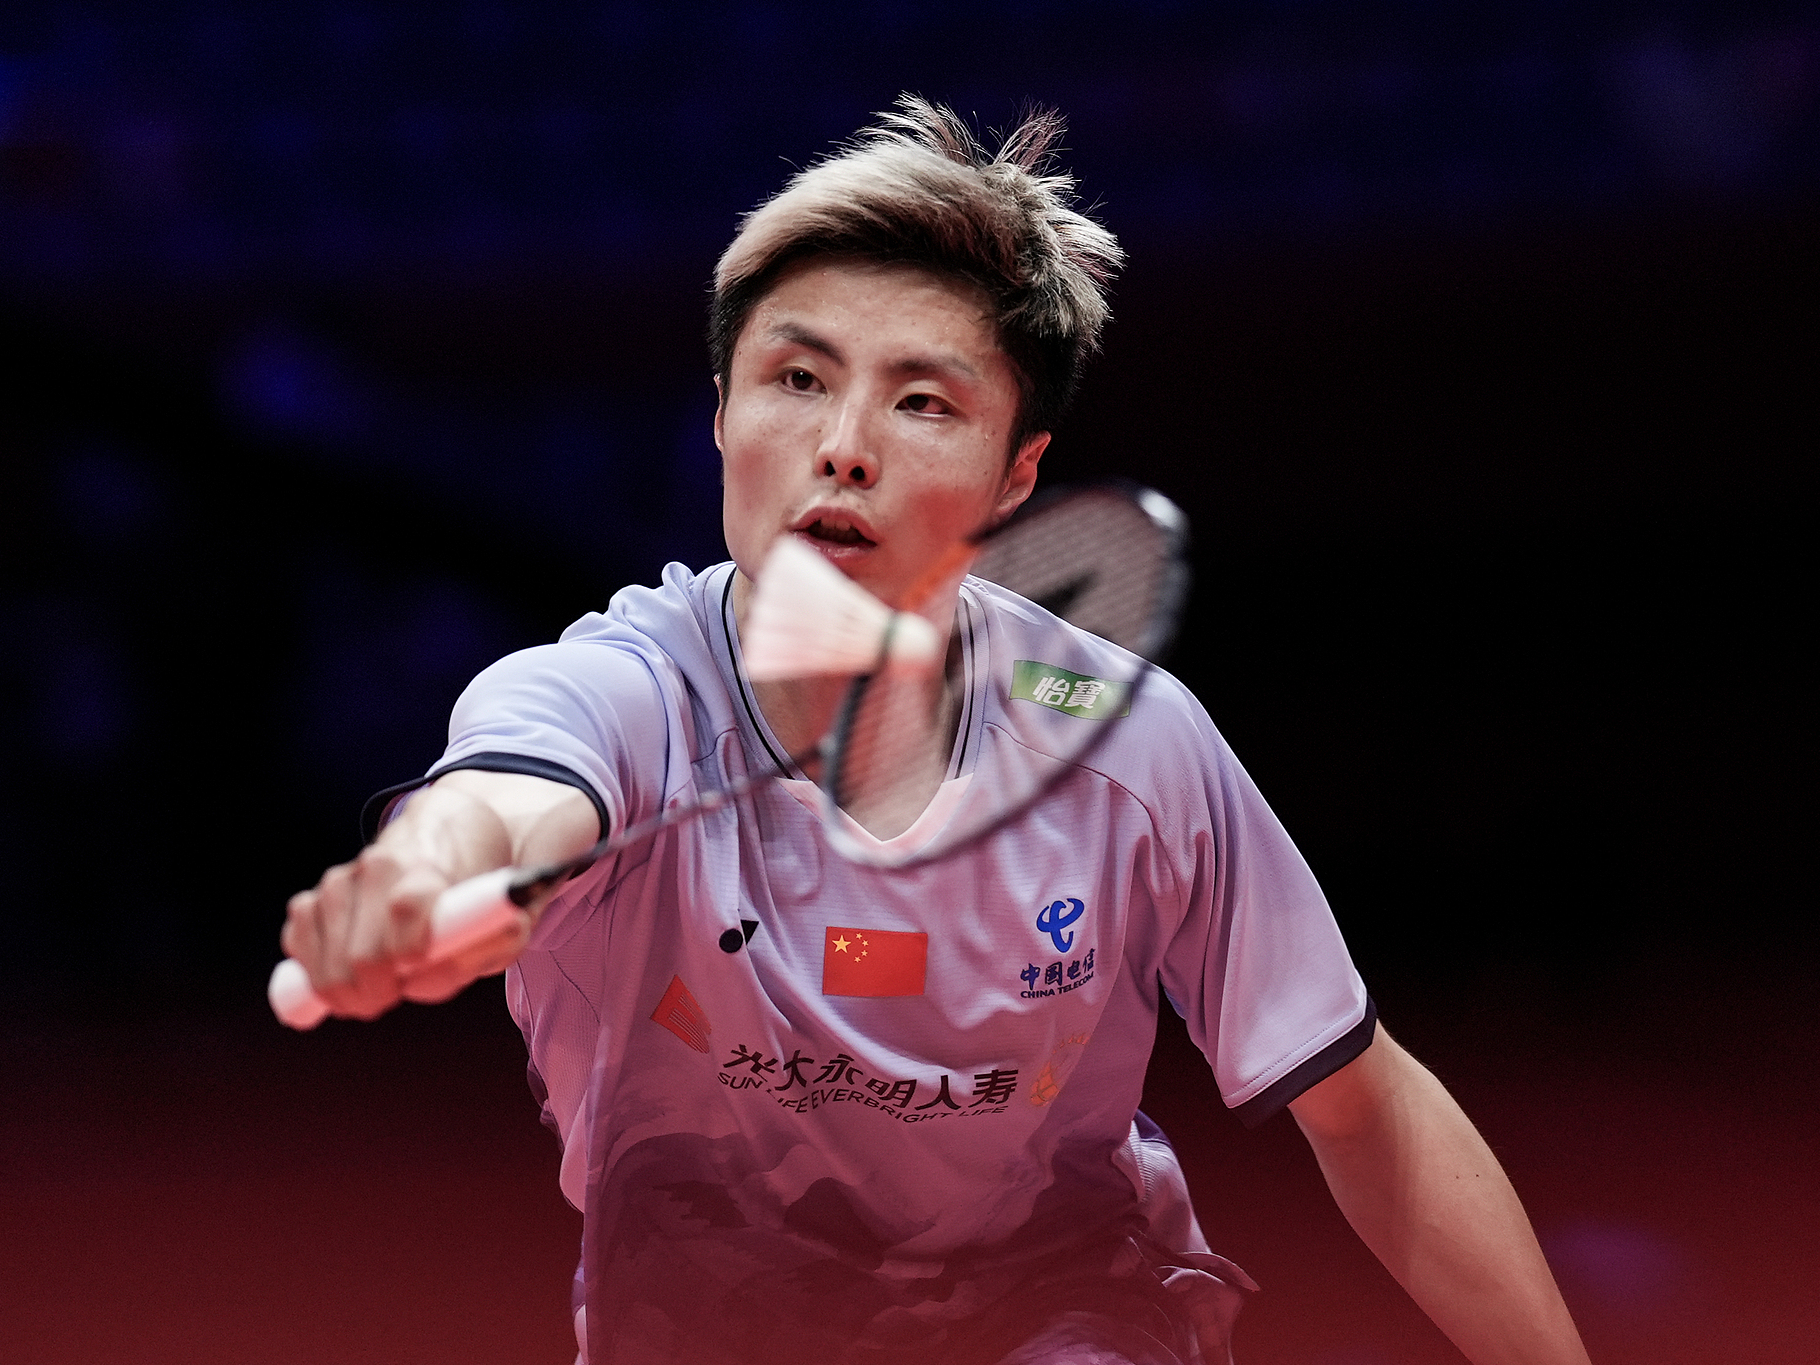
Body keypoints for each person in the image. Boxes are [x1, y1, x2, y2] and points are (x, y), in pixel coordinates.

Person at [281, 98, 1590, 1365]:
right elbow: (502, 803)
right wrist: (412, 877)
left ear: (1016, 476)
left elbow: (1364, 1106)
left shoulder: (1123, 750)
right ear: (725, 412)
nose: (845, 447)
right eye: (797, 378)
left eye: (925, 402)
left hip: (1069, 1311)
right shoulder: (623, 693)